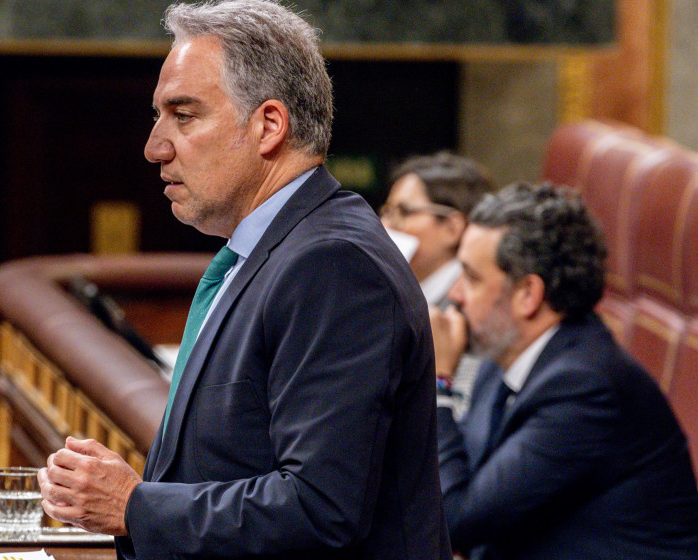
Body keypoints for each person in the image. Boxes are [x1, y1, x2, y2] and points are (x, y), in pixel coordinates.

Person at [36, 1, 451, 559]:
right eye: (158, 117)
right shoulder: (273, 251)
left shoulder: (334, 265)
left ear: (269, 126)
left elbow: (320, 508)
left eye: (183, 116)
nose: (155, 147)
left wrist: (134, 507)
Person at [430, 182, 698, 559]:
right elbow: (463, 491)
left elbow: (453, 519)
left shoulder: (585, 388)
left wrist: (438, 381)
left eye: (472, 278)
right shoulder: (508, 356)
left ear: (527, 294)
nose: (455, 294)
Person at [381, 152, 492, 417]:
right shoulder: (389, 292)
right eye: (386, 212)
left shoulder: (473, 309)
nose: (385, 225)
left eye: (403, 212)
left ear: (453, 228)